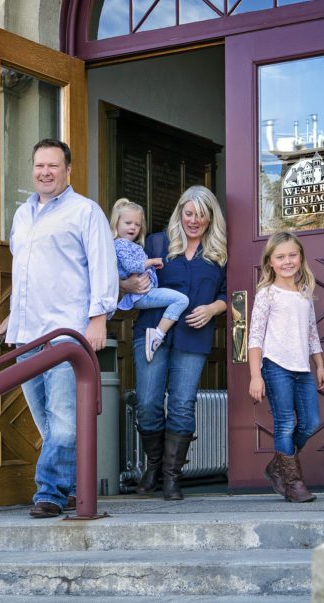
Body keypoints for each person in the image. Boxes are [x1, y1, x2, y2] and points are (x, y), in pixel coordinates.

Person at [0, 138, 118, 518]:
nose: (45, 172)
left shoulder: (86, 212)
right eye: (39, 166)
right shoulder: (22, 215)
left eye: (53, 165)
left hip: (66, 334)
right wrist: (11, 317)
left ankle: (49, 493)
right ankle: (69, 487)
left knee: (66, 423)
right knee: (48, 425)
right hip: (26, 334)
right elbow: (27, 273)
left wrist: (98, 317)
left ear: (68, 170)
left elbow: (103, 266)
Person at [121, 185, 227, 500]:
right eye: (189, 213)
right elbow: (122, 268)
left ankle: (171, 477)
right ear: (180, 211)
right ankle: (154, 465)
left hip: (194, 335)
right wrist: (126, 283)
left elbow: (230, 294)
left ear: (211, 218)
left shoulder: (219, 253)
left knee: (182, 403)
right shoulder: (156, 242)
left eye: (202, 215)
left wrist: (212, 308)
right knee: (148, 402)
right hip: (152, 329)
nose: (194, 220)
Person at [246, 231, 324, 503]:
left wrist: (320, 366)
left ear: (301, 257)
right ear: (270, 262)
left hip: (302, 368)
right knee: (284, 424)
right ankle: (293, 484)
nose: (287, 261)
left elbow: (312, 332)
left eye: (293, 255)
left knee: (310, 422)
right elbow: (255, 336)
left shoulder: (304, 293)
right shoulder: (267, 294)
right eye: (280, 257)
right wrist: (255, 375)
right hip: (276, 365)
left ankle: (278, 466)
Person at [110, 198, 189, 362]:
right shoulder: (120, 244)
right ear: (116, 223)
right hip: (143, 294)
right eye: (128, 223)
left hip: (146, 292)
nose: (133, 227)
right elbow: (132, 266)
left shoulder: (131, 245)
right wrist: (152, 262)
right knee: (181, 300)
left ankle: (157, 334)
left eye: (137, 224)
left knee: (179, 300)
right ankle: (157, 335)